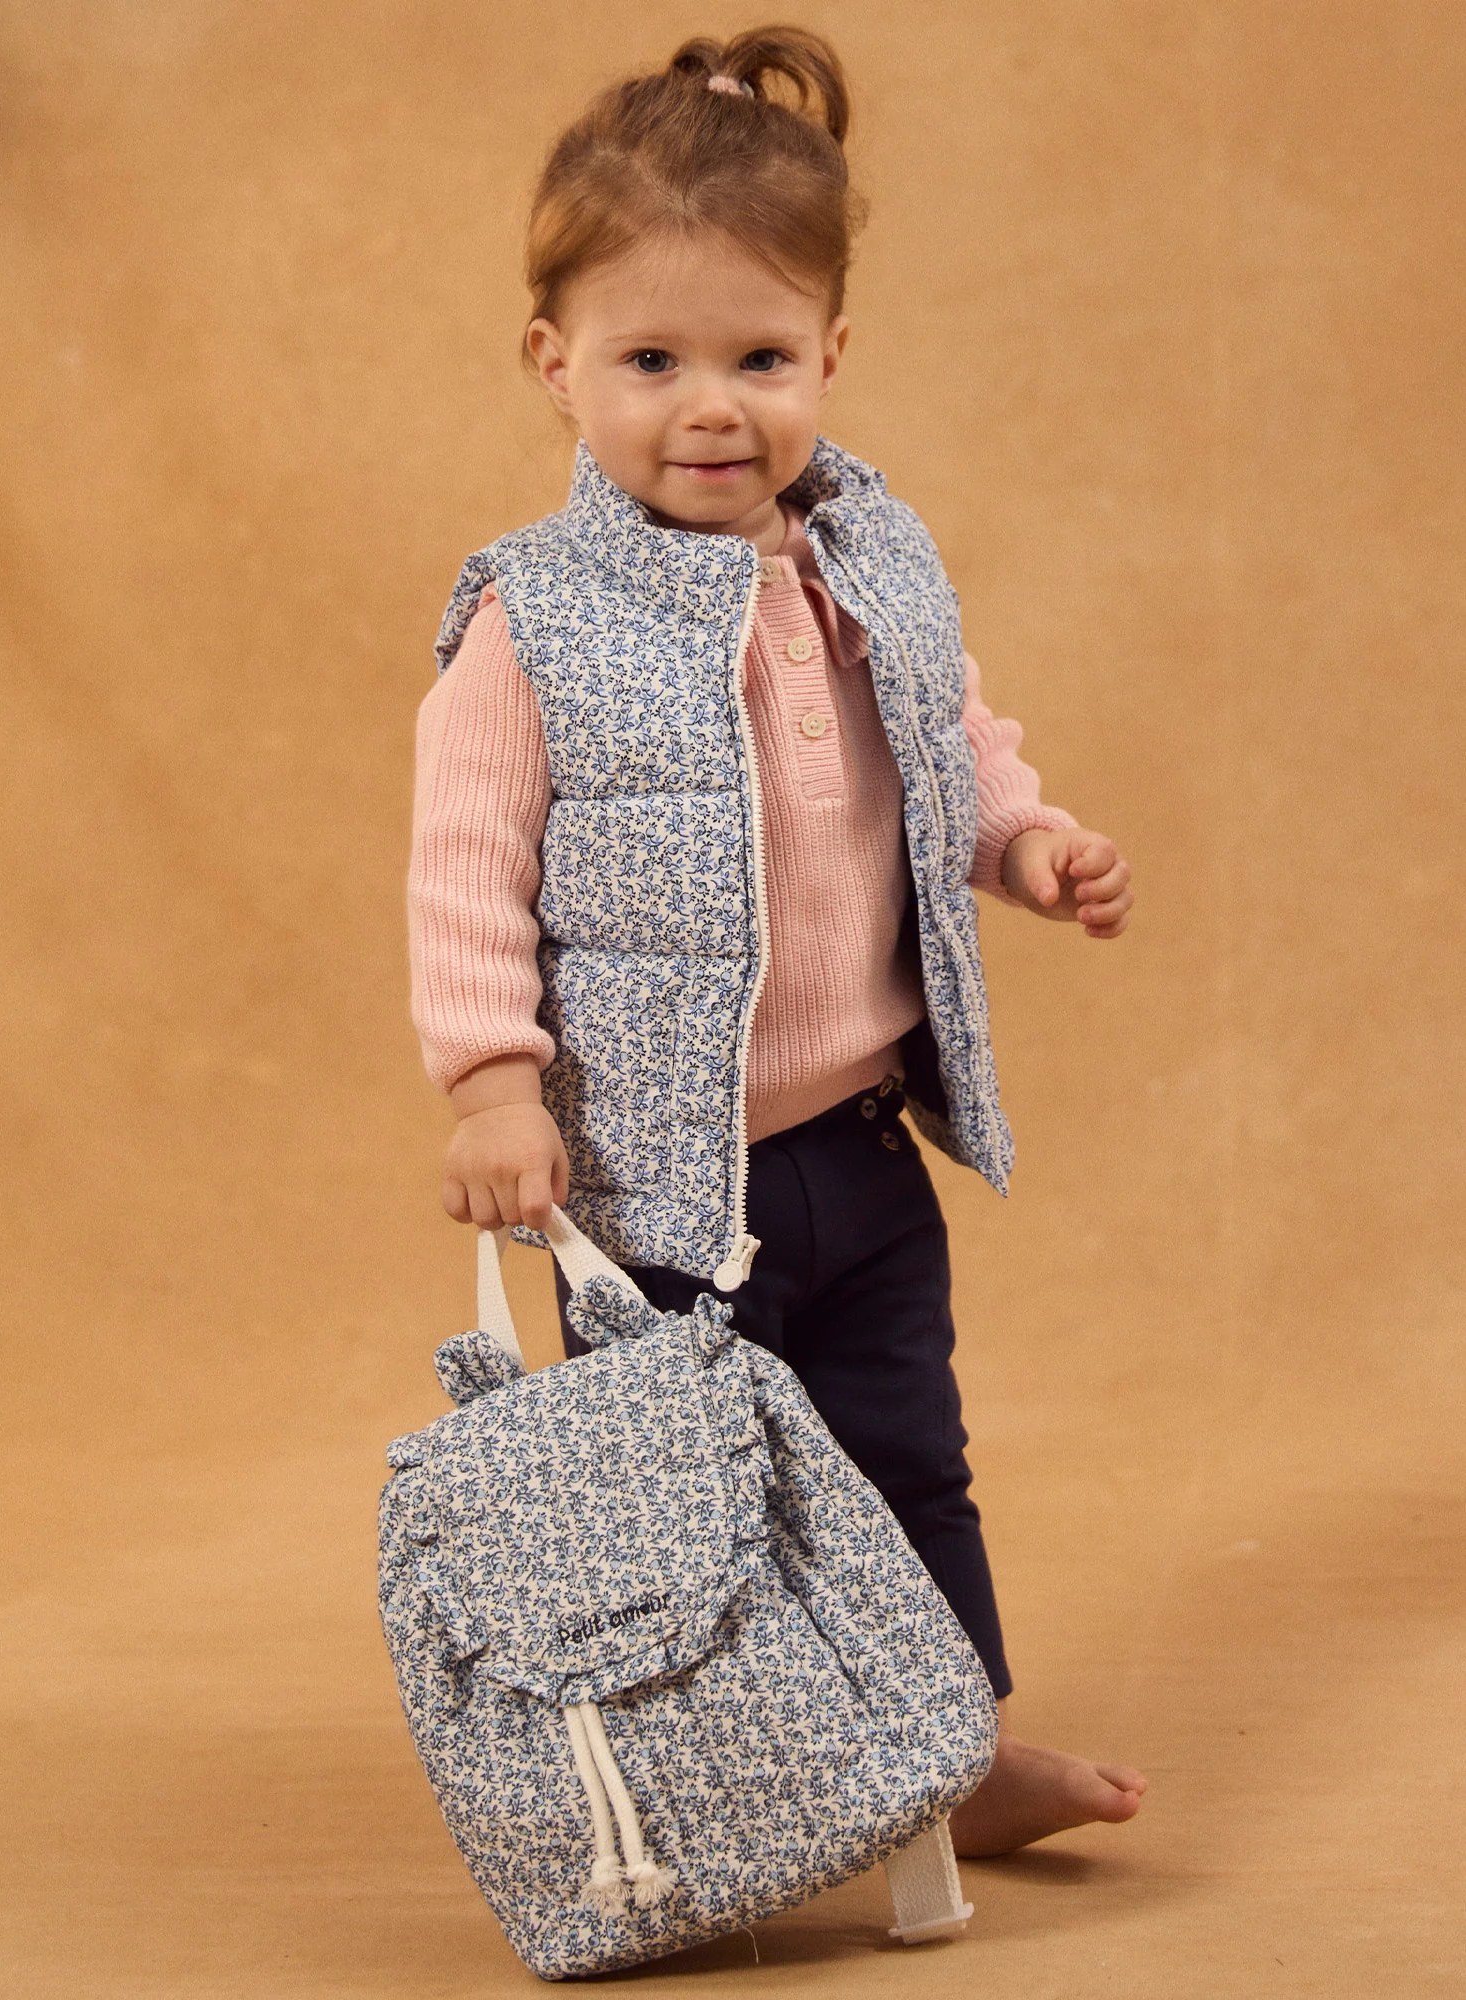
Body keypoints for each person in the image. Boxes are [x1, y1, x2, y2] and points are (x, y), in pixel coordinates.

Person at [408, 25, 1145, 1857]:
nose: (711, 408)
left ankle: (955, 1756)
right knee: (692, 1514)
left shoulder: (867, 564)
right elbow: (464, 870)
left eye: (759, 358)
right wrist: (494, 1084)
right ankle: (728, 1802)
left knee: (909, 1461)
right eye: (651, 361)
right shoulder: (532, 620)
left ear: (832, 353)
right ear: (556, 362)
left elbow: (945, 743)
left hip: (857, 1151)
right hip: (658, 1189)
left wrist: (1025, 841)